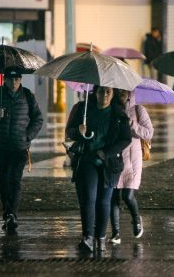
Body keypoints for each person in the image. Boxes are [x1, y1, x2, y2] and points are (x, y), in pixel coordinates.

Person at [65, 86, 132, 253]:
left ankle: (100, 237)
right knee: (89, 198)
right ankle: (87, 236)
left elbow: (126, 139)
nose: (105, 95)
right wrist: (79, 132)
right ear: (95, 92)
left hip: (109, 164)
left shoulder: (118, 113)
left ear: (113, 93)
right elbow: (70, 131)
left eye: (108, 91)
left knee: (104, 201)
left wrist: (107, 152)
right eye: (101, 91)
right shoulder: (83, 109)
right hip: (87, 160)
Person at [0, 68, 43, 231]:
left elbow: (38, 118)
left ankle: (11, 214)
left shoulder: (28, 96)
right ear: (4, 80)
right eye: (10, 80)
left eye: (16, 80)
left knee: (14, 179)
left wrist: (28, 136)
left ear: (20, 80)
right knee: (2, 180)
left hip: (19, 146)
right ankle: (7, 212)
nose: (13, 83)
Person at [109, 89, 154, 245]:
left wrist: (132, 124)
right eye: (117, 91)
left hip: (133, 159)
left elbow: (148, 133)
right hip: (115, 157)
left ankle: (136, 219)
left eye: (123, 91)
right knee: (114, 196)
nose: (121, 94)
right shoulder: (110, 108)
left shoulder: (138, 109)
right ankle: (115, 233)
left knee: (128, 195)